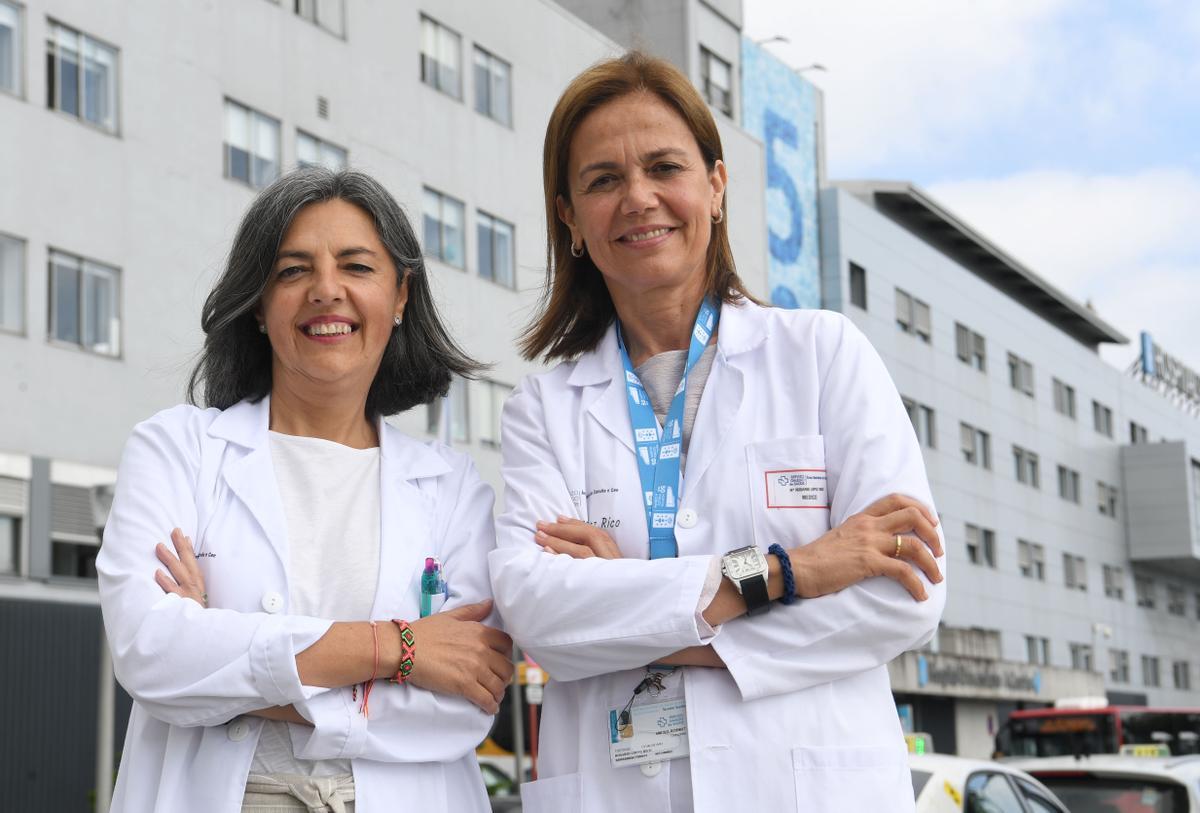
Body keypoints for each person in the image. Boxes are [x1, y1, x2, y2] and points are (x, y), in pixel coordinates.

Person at [489, 52, 947, 812]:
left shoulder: (823, 354)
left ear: (716, 185)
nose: (638, 198)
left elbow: (906, 594)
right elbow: (538, 612)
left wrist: (628, 615)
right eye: (603, 179)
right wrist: (784, 573)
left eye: (664, 166)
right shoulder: (544, 408)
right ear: (569, 216)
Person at [96, 168, 512, 813]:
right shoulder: (176, 449)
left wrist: (227, 661)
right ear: (259, 304)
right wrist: (397, 648)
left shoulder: (452, 488)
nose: (326, 290)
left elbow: (466, 699)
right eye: (292, 271)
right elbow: (151, 655)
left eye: (356, 266)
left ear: (401, 296)